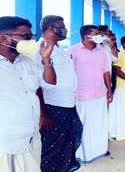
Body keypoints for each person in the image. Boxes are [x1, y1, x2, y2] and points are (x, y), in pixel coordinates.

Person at [0, 16, 56, 172]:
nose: (31, 40)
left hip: (32, 138)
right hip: (9, 142)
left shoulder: (28, 62)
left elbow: (49, 83)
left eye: (32, 36)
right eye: (26, 36)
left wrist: (46, 60)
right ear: (3, 39)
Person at [32, 15, 83, 172]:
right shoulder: (38, 49)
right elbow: (35, 84)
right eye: (61, 27)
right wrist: (43, 114)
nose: (64, 30)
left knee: (67, 143)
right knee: (51, 148)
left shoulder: (60, 49)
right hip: (52, 107)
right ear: (49, 28)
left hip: (68, 105)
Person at [68, 25, 112, 164]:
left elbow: (106, 71)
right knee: (83, 125)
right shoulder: (73, 51)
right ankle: (81, 154)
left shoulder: (102, 51)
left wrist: (109, 90)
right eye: (97, 33)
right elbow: (68, 74)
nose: (100, 35)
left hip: (99, 93)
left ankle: (99, 150)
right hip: (80, 95)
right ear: (87, 36)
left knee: (99, 123)